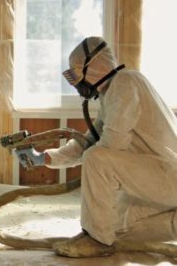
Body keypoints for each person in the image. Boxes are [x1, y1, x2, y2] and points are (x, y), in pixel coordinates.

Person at [15, 36, 177, 258]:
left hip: (168, 175)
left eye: (76, 74)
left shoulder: (126, 83)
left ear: (92, 68)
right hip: (159, 177)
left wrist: (90, 154)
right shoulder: (111, 93)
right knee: (117, 228)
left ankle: (95, 240)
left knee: (97, 159)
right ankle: (105, 236)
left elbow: (110, 146)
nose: (75, 84)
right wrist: (45, 158)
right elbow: (88, 143)